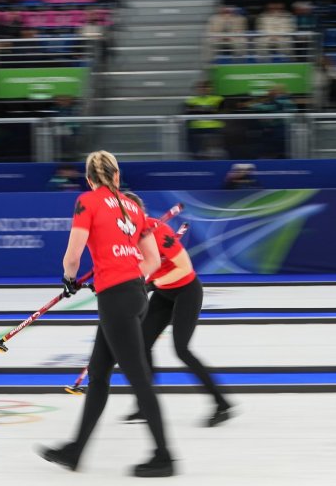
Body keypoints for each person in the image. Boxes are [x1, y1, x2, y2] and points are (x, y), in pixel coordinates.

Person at [38, 150, 174, 478]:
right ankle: (75, 451)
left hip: (115, 298)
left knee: (138, 378)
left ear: (88, 178)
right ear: (117, 175)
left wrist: (70, 280)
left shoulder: (87, 201)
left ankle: (164, 456)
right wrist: (129, 275)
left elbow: (73, 256)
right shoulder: (134, 206)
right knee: (98, 375)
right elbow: (153, 261)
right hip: (135, 294)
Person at [120, 192, 232, 427]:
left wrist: (151, 283)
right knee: (142, 343)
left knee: (181, 349)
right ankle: (145, 404)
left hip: (186, 291)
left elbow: (185, 268)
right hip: (164, 292)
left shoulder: (158, 231)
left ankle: (222, 403)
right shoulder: (127, 237)